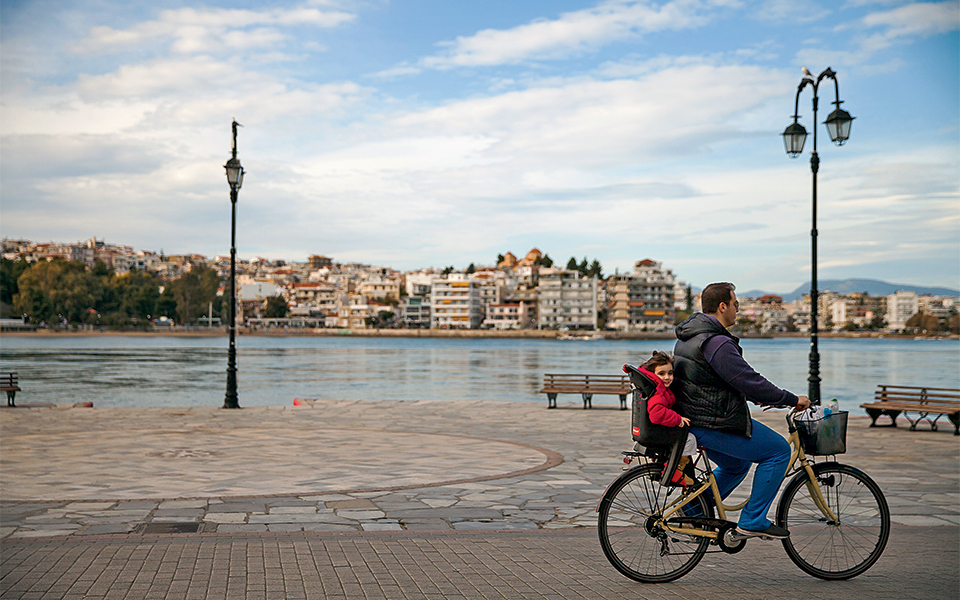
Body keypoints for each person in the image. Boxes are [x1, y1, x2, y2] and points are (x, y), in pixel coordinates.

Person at [673, 282, 810, 539]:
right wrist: (791, 399)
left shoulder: (691, 336)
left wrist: (754, 395)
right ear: (723, 306)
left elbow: (716, 379)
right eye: (735, 304)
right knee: (778, 451)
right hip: (714, 421)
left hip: (697, 418)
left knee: (736, 465)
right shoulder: (715, 342)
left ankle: (692, 509)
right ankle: (752, 520)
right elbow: (749, 379)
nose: (737, 309)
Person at [638, 351, 697, 486]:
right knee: (690, 440)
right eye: (662, 374)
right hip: (658, 432)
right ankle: (677, 471)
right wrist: (677, 419)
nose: (667, 377)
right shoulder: (658, 393)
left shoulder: (656, 389)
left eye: (670, 373)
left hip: (653, 431)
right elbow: (657, 414)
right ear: (653, 375)